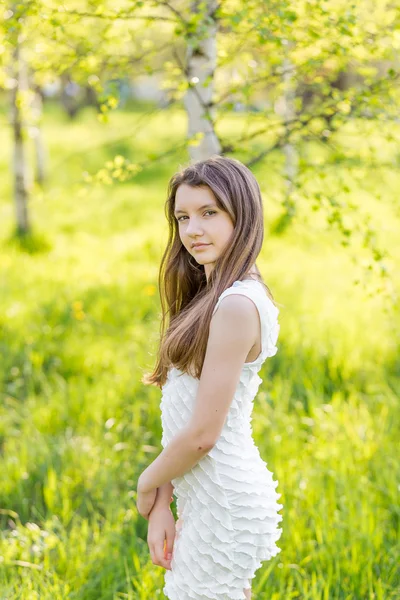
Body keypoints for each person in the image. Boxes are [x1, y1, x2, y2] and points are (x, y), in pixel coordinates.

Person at [136, 155, 283, 600]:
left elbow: (202, 434)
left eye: (209, 213)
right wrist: (162, 501)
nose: (193, 230)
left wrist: (146, 483)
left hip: (226, 501)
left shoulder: (238, 305)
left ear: (243, 215)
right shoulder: (209, 296)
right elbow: (181, 423)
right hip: (203, 496)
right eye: (183, 217)